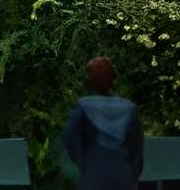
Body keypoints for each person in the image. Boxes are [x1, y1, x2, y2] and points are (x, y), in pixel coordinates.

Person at [61, 56, 143, 188]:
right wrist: (133, 171)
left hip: (94, 173)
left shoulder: (84, 105)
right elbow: (137, 146)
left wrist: (81, 162)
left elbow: (69, 136)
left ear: (90, 80)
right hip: (123, 172)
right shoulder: (129, 108)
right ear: (113, 79)